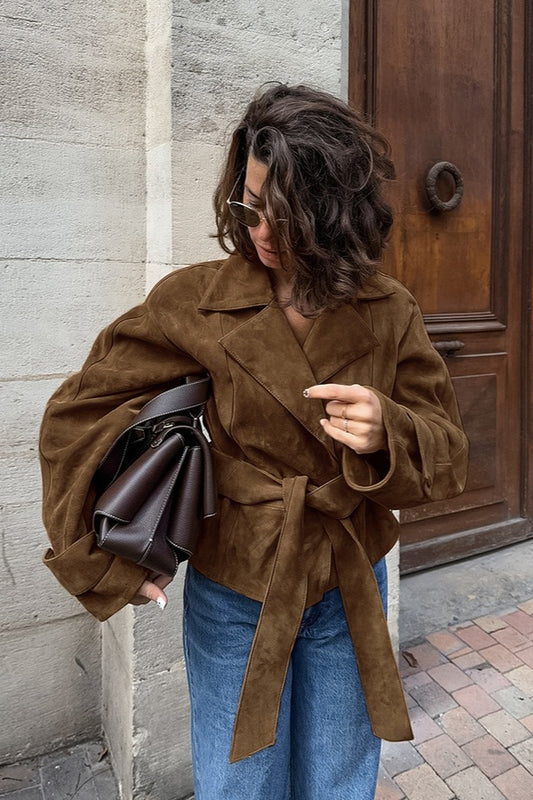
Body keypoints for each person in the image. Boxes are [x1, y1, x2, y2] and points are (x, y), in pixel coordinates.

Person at [39, 83, 468, 799]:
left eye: (287, 213)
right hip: (237, 582)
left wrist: (387, 429)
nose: (263, 231)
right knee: (240, 784)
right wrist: (103, 559)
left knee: (338, 780)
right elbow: (79, 411)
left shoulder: (388, 310)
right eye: (252, 205)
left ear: (333, 212)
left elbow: (448, 453)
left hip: (348, 578)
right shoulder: (197, 299)